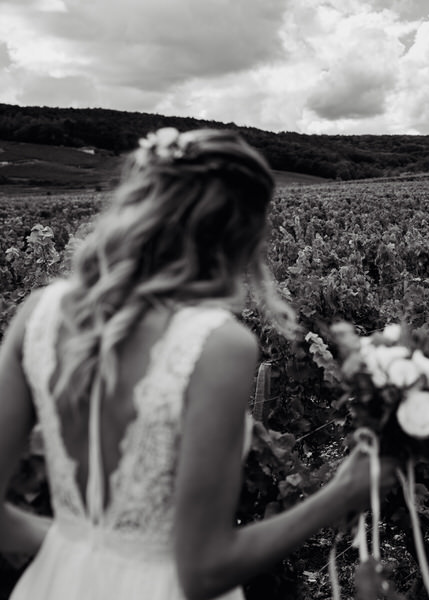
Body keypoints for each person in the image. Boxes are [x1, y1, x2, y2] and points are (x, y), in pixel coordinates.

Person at [0, 127, 397, 600]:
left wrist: (78, 551)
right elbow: (204, 572)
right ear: (243, 229)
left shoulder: (38, 312)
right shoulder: (216, 343)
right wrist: (342, 493)